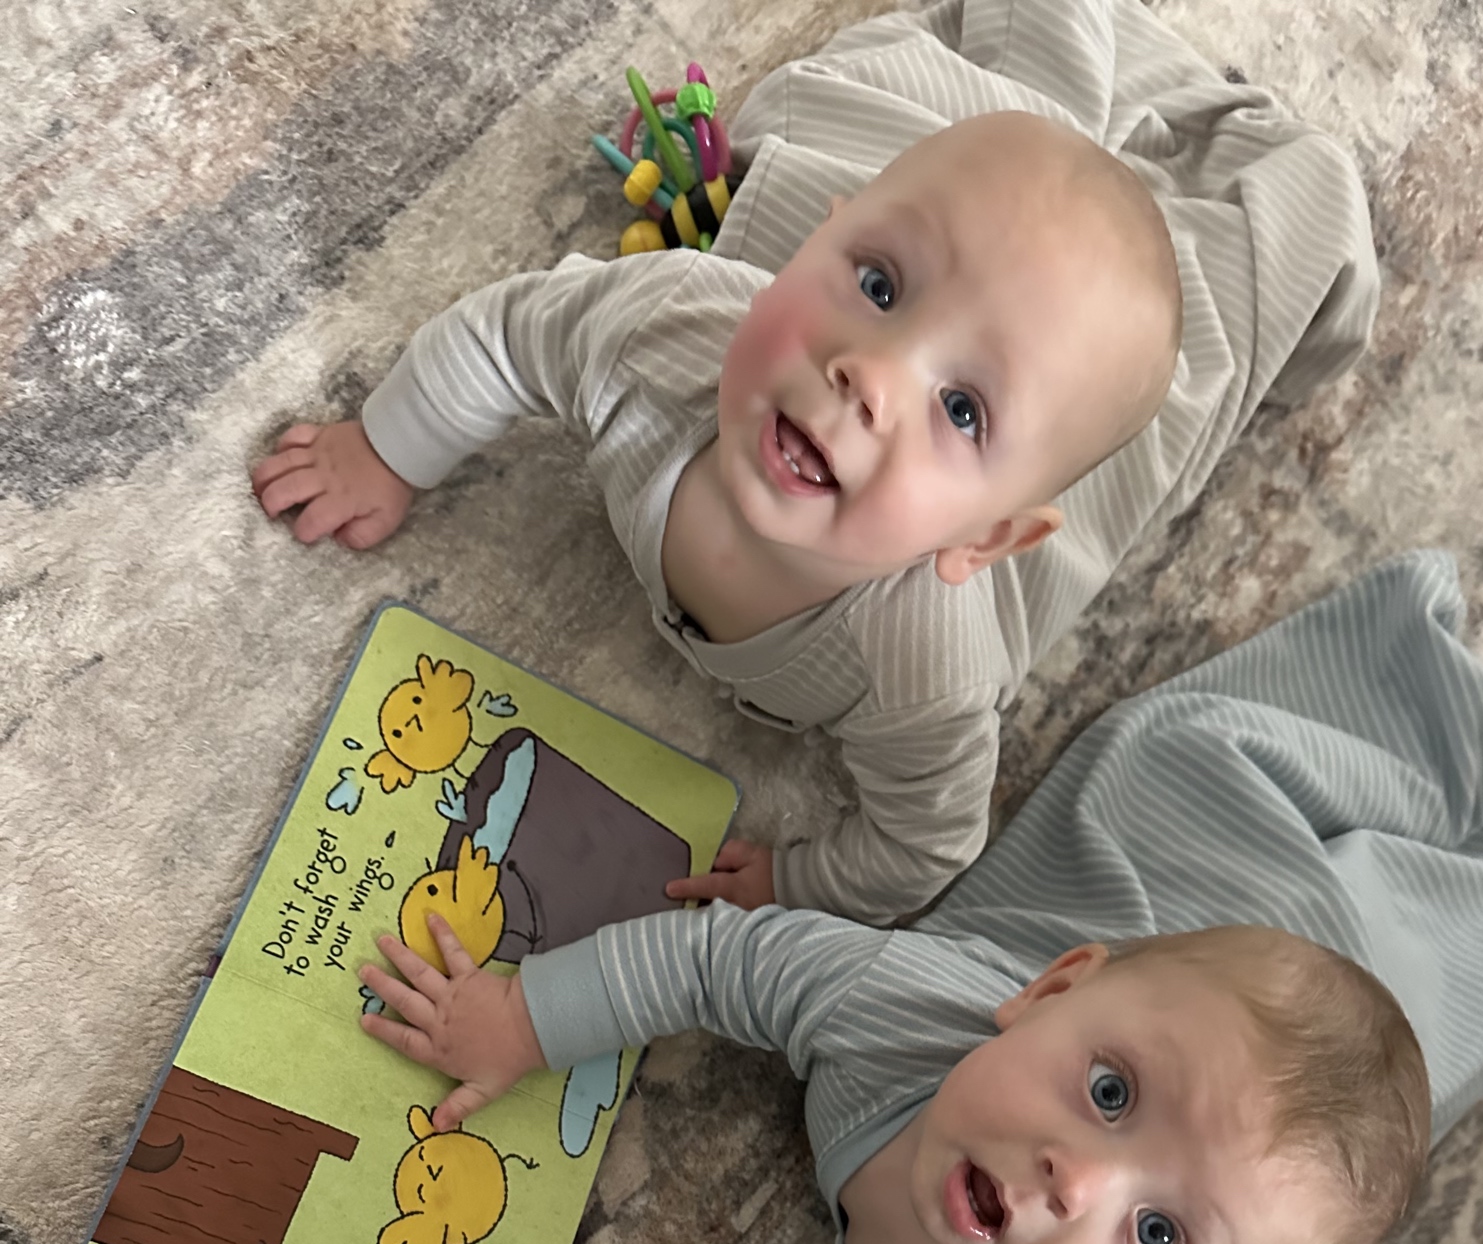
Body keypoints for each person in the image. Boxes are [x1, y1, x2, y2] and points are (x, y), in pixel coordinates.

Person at [357, 549, 1483, 1244]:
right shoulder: (898, 1001)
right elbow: (716, 959)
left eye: (1159, 1233)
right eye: (1109, 1092)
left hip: (1314, 1010)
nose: (1075, 1183)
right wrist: (525, 1019)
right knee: (1207, 768)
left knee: (1434, 996)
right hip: (1200, 860)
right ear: (1050, 990)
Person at [251, 0, 1377, 925]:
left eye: (961, 409)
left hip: (1093, 444)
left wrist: (801, 882)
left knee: (1220, 311)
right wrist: (386, 449)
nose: (869, 375)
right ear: (819, 244)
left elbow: (925, 843)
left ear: (985, 537)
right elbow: (509, 335)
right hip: (900, 176)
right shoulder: (668, 326)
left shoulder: (923, 672)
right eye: (875, 285)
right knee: (985, 146)